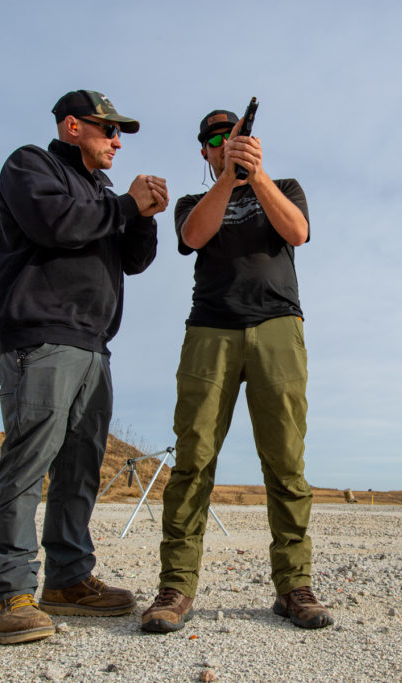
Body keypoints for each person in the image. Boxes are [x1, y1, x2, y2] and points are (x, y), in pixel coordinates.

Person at [0, 90, 168, 645]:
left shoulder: (104, 194)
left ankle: (67, 580)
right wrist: (127, 206)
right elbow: (55, 224)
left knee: (79, 468)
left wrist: (145, 216)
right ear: (71, 127)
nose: (116, 141)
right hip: (40, 338)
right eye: (107, 129)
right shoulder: (29, 165)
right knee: (28, 460)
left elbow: (132, 260)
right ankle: (6, 594)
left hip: (94, 345)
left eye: (120, 133)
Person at [140, 108, 333, 633]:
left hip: (277, 328)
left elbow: (297, 231)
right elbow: (195, 237)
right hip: (211, 330)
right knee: (193, 460)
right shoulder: (191, 202)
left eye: (236, 135)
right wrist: (228, 179)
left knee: (285, 460)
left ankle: (294, 586)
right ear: (204, 151)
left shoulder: (285, 185)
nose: (227, 143)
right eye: (216, 140)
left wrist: (257, 176)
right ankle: (176, 586)